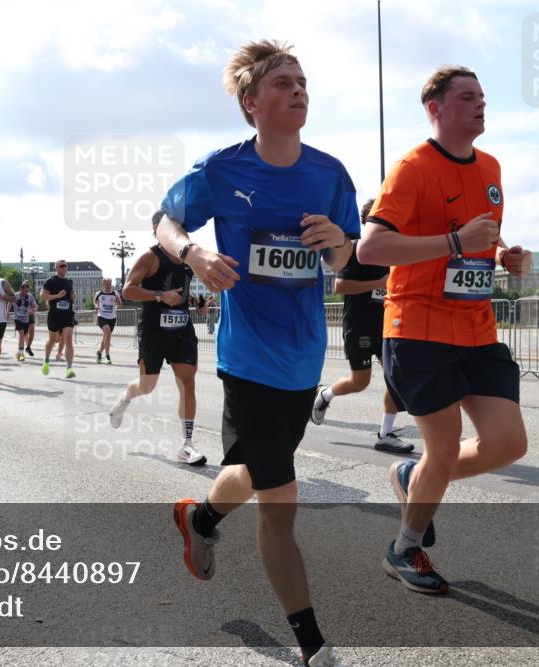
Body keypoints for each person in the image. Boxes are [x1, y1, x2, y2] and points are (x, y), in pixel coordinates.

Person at [159, 41, 358, 667]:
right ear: (251, 102)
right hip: (247, 357)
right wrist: (194, 253)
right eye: (283, 83)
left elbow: (347, 257)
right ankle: (313, 645)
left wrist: (338, 241)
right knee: (281, 498)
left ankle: (201, 519)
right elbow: (165, 221)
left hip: (304, 357)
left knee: (252, 467)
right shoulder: (223, 169)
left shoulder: (330, 174)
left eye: (302, 82)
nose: (298, 90)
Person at [357, 65, 530, 596]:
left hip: (477, 326)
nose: (481, 104)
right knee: (446, 446)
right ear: (436, 107)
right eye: (467, 97)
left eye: (483, 96)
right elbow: (371, 248)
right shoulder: (413, 167)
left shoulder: (491, 166)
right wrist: (455, 243)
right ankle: (404, 547)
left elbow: (481, 239)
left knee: (508, 444)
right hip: (419, 326)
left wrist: (504, 256)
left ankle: (413, 478)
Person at [310, 198, 413, 454]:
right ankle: (324, 395)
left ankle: (385, 434)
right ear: (369, 222)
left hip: (387, 325)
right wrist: (377, 283)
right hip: (359, 325)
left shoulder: (392, 252)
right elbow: (340, 286)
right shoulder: (356, 249)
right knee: (360, 382)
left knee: (396, 378)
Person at [109, 213, 209, 466]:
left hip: (182, 330)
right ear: (157, 231)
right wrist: (159, 295)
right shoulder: (150, 257)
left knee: (188, 382)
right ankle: (124, 399)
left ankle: (186, 445)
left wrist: (199, 303)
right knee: (147, 386)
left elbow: (184, 290)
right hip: (153, 331)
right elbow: (128, 290)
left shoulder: (188, 259)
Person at [40, 260, 77, 378]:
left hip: (68, 315)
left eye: (66, 266)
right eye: (62, 265)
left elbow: (71, 295)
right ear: (56, 268)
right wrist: (57, 296)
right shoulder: (50, 281)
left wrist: (73, 296)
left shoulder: (69, 282)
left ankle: (69, 369)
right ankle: (46, 361)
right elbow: (42, 296)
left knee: (68, 339)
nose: (64, 267)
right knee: (52, 340)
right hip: (54, 315)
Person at [94, 277, 123, 364]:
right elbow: (95, 302)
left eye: (110, 284)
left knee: (106, 336)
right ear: (103, 284)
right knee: (108, 333)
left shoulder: (115, 293)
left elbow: (120, 306)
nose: (108, 286)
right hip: (102, 317)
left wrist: (118, 302)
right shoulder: (99, 294)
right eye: (107, 284)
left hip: (112, 318)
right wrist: (96, 306)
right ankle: (107, 356)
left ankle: (99, 353)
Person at [11, 281, 37, 362]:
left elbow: (35, 305)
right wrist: (7, 312)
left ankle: (19, 353)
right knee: (21, 334)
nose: (26, 292)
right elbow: (9, 303)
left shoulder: (30, 296)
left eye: (27, 291)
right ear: (21, 289)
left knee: (25, 335)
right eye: (24, 290)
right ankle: (21, 354)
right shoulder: (15, 295)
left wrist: (33, 310)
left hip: (26, 319)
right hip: (17, 318)